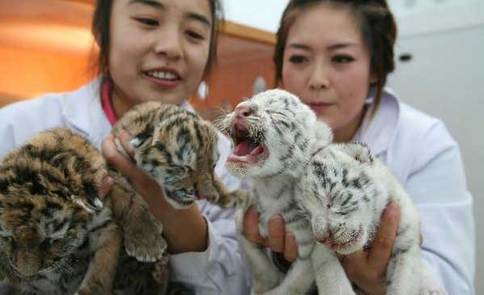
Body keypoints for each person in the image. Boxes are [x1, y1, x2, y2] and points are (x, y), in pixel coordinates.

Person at [0, 0, 250, 294]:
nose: (171, 47)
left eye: (194, 33)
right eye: (148, 20)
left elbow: (242, 281)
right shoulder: (16, 128)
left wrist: (180, 221)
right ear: (101, 29)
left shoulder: (229, 164)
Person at [242, 0, 475, 294]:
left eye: (341, 59)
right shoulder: (256, 144)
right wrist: (276, 262)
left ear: (375, 68)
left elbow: (452, 283)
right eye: (299, 58)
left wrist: (375, 280)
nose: (317, 80)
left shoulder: (425, 143)